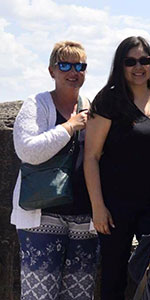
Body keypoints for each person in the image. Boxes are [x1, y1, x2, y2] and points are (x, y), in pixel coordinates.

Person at [84, 36, 150, 300]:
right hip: (116, 206)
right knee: (113, 277)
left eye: (144, 60)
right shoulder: (108, 101)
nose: (138, 66)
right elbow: (92, 156)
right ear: (120, 66)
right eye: (130, 61)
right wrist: (98, 207)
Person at [12, 41, 98, 300]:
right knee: (40, 295)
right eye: (65, 65)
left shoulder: (89, 105)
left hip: (83, 215)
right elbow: (27, 150)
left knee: (80, 296)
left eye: (79, 66)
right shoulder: (37, 104)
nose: (73, 72)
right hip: (42, 214)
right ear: (52, 71)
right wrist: (70, 127)